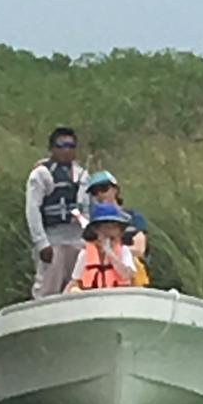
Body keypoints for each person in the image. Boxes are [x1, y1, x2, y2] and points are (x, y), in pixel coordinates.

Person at [25, 126, 89, 299]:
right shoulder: (41, 174)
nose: (66, 150)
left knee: (78, 287)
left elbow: (87, 209)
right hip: (53, 240)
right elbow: (33, 210)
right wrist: (42, 243)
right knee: (48, 288)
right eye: (61, 146)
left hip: (78, 240)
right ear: (52, 148)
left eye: (71, 146)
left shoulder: (82, 175)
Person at [84, 170, 150, 285]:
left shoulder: (134, 217)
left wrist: (112, 250)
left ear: (115, 189)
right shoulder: (93, 223)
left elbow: (140, 250)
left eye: (104, 188)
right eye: (95, 192)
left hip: (132, 274)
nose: (100, 194)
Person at [66, 203, 136, 291]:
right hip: (93, 300)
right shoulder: (85, 254)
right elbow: (75, 281)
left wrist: (110, 254)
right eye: (105, 227)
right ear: (96, 230)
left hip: (118, 299)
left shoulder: (124, 251)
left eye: (114, 227)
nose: (110, 231)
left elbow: (127, 275)